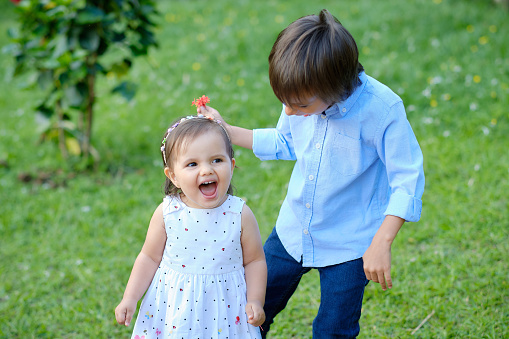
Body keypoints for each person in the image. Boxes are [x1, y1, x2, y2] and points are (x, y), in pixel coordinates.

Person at [198, 9, 425, 338]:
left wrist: (382, 241)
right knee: (249, 307)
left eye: (299, 106)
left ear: (334, 87)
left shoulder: (382, 110)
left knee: (333, 329)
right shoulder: (302, 91)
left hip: (349, 245)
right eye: (285, 103)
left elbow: (407, 180)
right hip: (293, 231)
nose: (289, 112)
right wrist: (226, 130)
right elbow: (285, 141)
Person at [115, 115, 267, 338]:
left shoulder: (239, 213)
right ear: (173, 176)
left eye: (217, 160)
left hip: (226, 310)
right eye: (192, 164)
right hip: (176, 308)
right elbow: (148, 257)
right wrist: (130, 297)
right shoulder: (168, 213)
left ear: (232, 165)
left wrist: (255, 300)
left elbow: (254, 260)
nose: (206, 170)